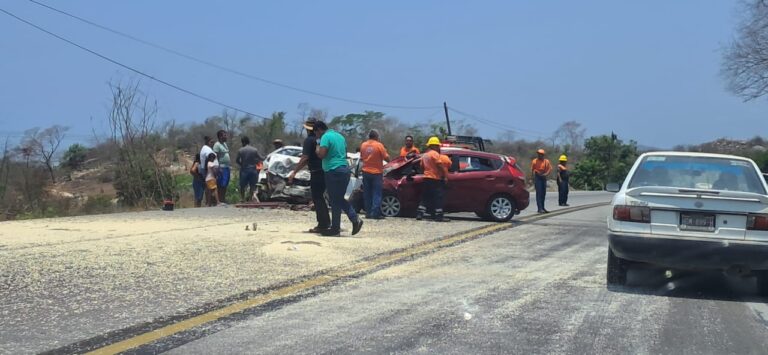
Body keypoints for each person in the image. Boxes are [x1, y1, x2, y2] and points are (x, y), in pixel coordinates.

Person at [314, 121, 364, 237]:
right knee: (337, 199)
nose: (316, 136)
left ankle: (351, 220)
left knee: (335, 199)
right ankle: (337, 227)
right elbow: (344, 153)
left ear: (319, 130)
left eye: (316, 133)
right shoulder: (340, 136)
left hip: (333, 170)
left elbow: (321, 154)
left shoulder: (325, 137)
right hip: (344, 169)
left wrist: (317, 146)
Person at [288, 118, 331, 233]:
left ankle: (323, 224)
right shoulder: (322, 139)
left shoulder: (309, 141)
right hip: (325, 171)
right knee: (322, 197)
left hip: (316, 172)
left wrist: (294, 172)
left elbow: (305, 158)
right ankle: (327, 222)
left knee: (317, 198)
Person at [416, 136, 449, 222]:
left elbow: (421, 167)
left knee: (425, 197)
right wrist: (445, 175)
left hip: (426, 178)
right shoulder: (435, 154)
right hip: (435, 179)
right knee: (438, 197)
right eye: (437, 146)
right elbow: (439, 165)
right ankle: (439, 216)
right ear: (434, 146)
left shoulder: (425, 155)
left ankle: (420, 214)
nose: (438, 147)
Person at [360, 129, 390, 219]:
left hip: (365, 171)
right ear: (377, 137)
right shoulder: (379, 145)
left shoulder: (363, 145)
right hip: (376, 172)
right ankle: (375, 213)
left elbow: (362, 156)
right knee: (376, 193)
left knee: (367, 193)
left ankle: (368, 212)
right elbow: (387, 158)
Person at [236, 136, 263, 202]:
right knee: (252, 185)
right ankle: (250, 199)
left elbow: (237, 160)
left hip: (244, 170)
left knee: (242, 185)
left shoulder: (241, 150)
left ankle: (242, 198)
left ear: (243, 142)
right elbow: (260, 158)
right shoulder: (254, 150)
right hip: (253, 170)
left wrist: (241, 164)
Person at [532, 149, 553, 213]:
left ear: (543, 155)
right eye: (538, 153)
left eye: (540, 154)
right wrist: (533, 179)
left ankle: (543, 207)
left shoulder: (546, 161)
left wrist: (546, 174)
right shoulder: (534, 161)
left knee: (543, 193)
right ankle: (539, 208)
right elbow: (532, 170)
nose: (539, 155)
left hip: (543, 177)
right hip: (537, 177)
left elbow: (550, 168)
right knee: (539, 193)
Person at [213, 130, 231, 204]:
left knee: (225, 184)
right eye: (224, 135)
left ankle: (223, 199)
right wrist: (218, 167)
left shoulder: (224, 144)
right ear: (220, 136)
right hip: (221, 167)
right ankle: (219, 200)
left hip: (227, 167)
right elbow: (215, 156)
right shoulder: (217, 145)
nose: (226, 137)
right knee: (221, 184)